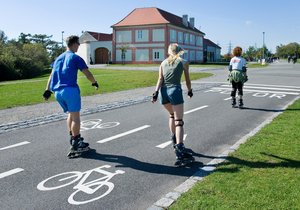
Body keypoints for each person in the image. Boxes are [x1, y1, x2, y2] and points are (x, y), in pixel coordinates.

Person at [43, 35, 99, 157]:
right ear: (74, 44)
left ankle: (72, 137)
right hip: (70, 90)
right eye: (78, 44)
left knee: (70, 114)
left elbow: (51, 76)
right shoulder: (75, 57)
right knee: (76, 117)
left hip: (58, 92)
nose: (79, 46)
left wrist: (47, 90)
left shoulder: (58, 58)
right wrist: (94, 82)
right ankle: (76, 143)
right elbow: (87, 73)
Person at [152, 43, 194, 166]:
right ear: (180, 51)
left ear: (169, 51)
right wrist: (190, 91)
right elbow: (187, 80)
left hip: (163, 92)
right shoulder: (184, 62)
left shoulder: (163, 62)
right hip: (175, 90)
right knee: (179, 121)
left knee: (171, 115)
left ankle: (174, 141)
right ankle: (180, 152)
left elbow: (160, 79)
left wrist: (155, 93)